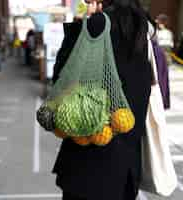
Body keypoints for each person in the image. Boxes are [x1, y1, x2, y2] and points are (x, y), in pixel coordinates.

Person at [52, 0, 152, 199]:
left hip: (88, 162)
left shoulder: (96, 25)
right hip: (126, 164)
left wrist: (78, 25)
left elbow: (61, 80)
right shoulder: (144, 28)